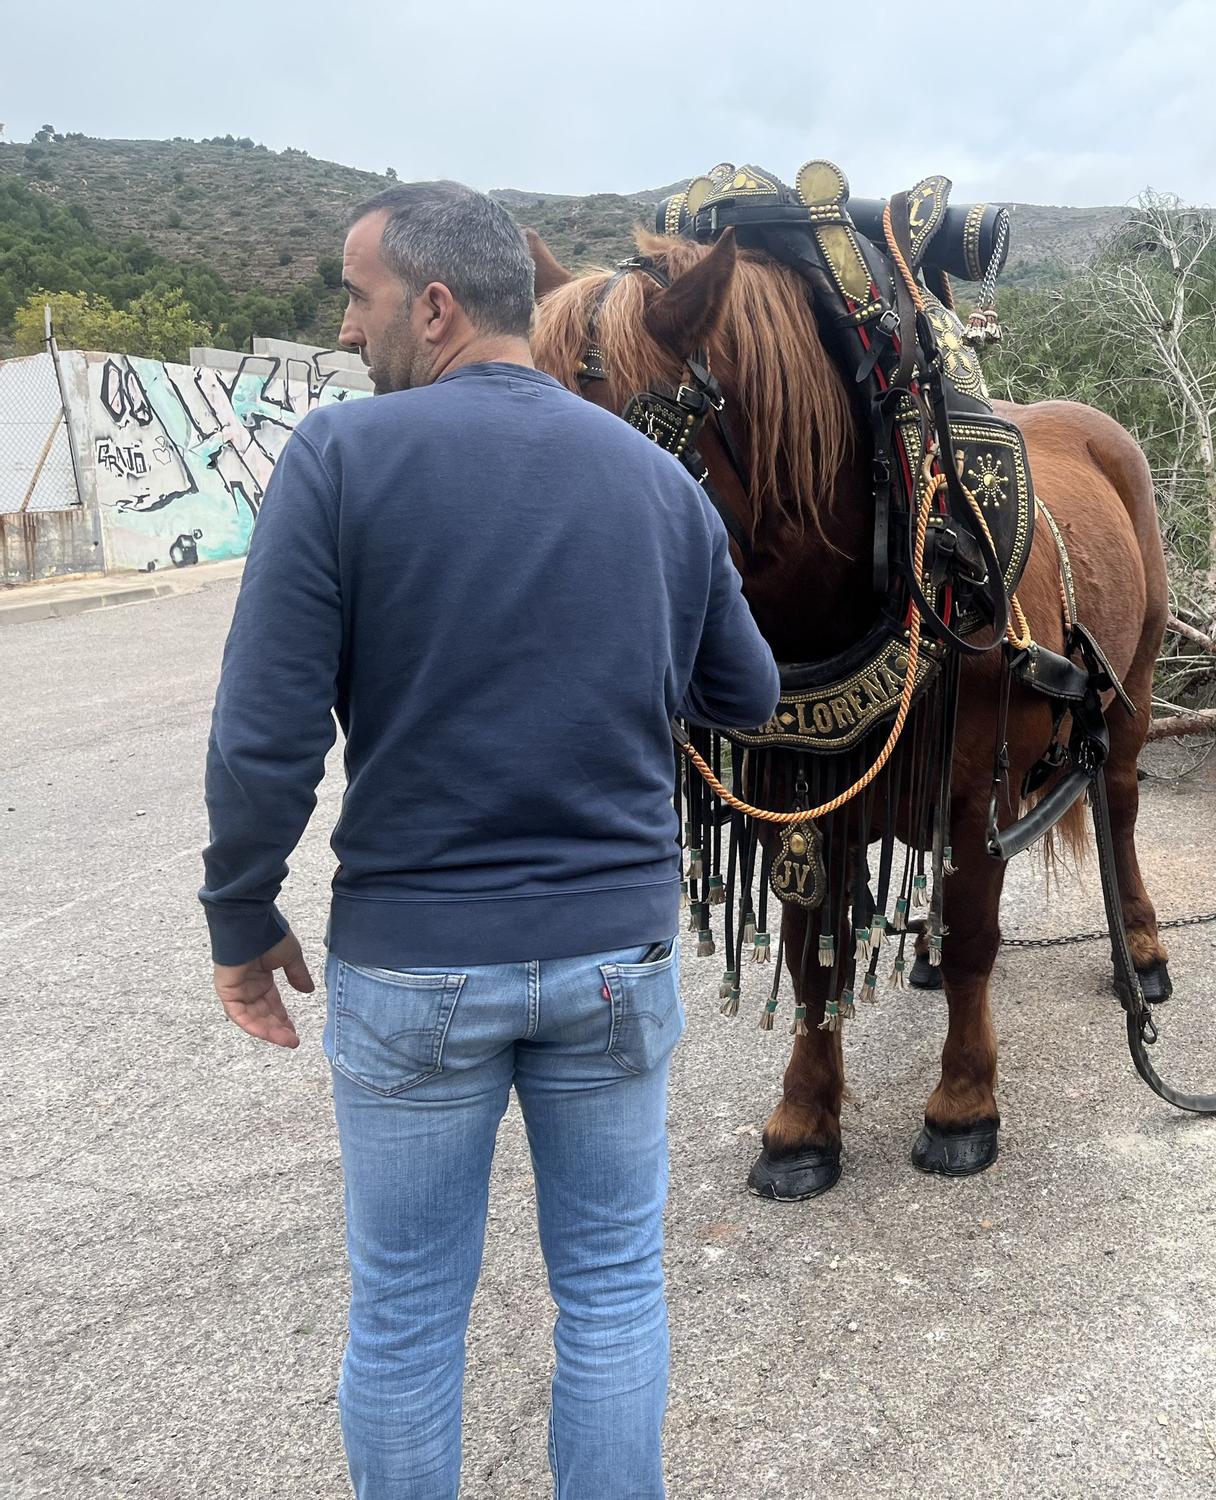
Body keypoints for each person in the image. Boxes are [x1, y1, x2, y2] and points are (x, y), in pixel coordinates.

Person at [199, 181, 780, 1497]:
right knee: (617, 1295)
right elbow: (746, 698)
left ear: (437, 305)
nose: (349, 334)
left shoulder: (340, 463)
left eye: (358, 299)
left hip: (416, 967)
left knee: (406, 1316)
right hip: (615, 962)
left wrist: (242, 915)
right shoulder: (660, 486)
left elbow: (264, 734)